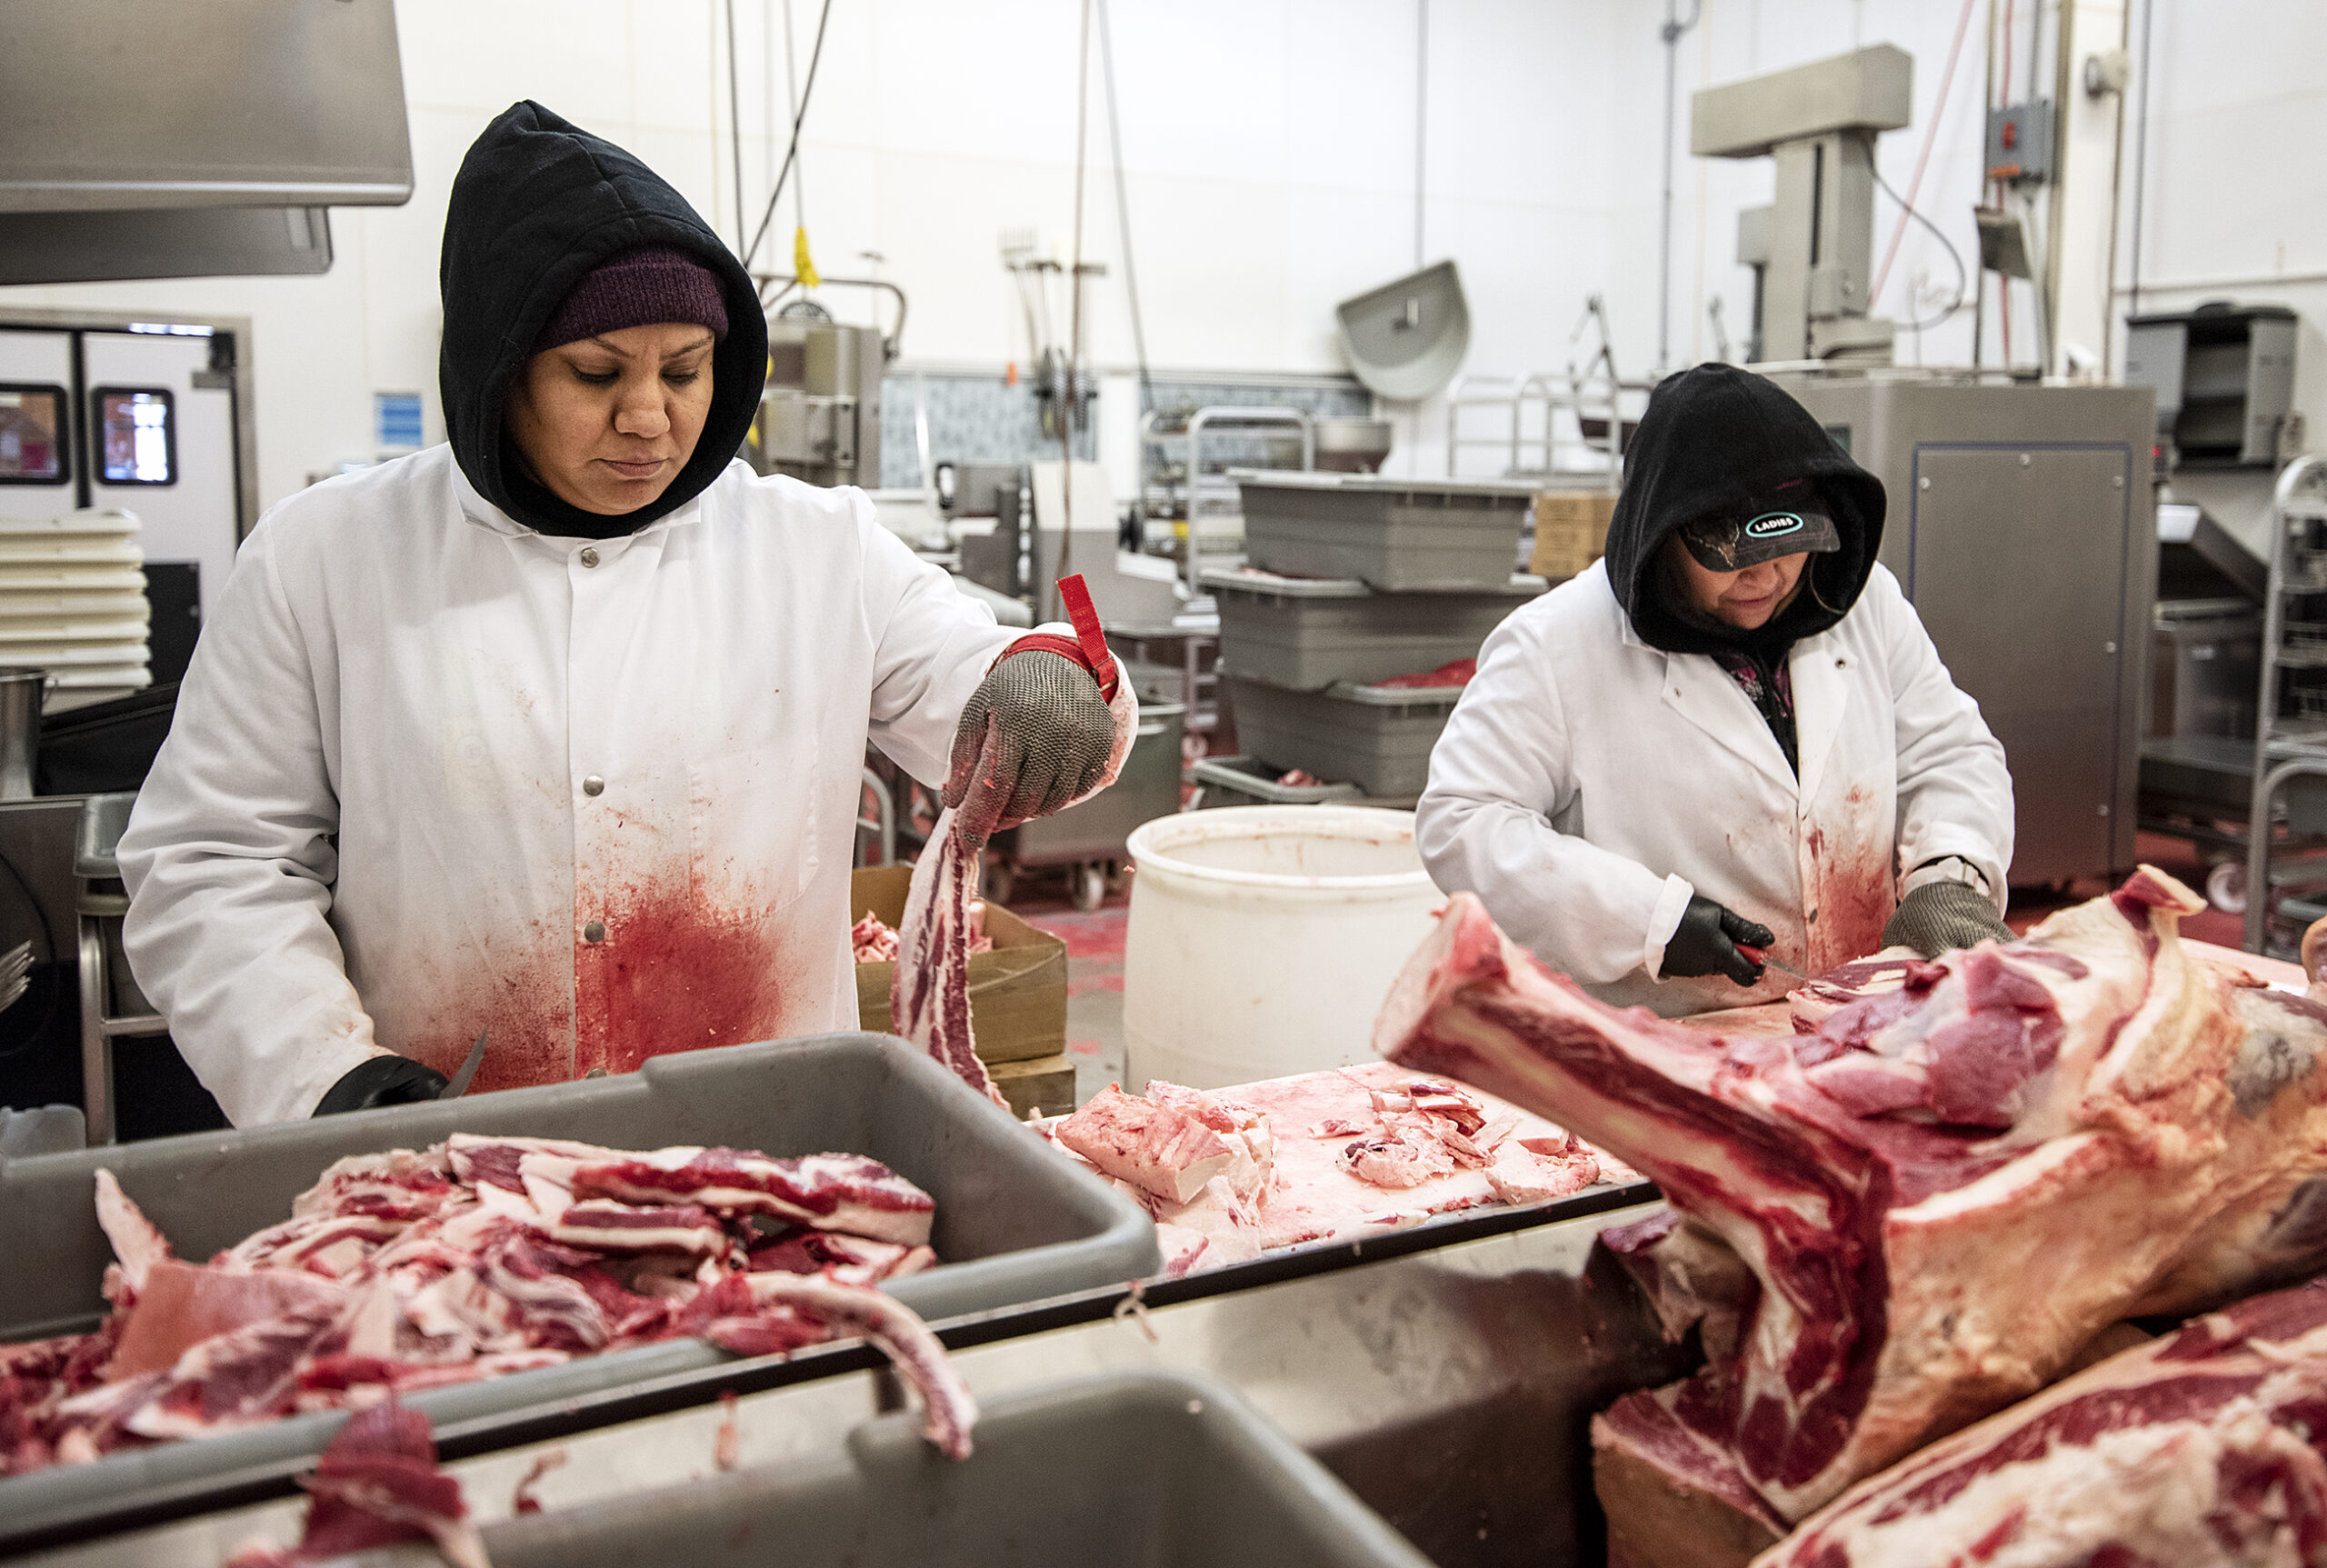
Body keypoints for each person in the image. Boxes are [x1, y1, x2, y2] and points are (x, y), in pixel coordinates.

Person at [116, 102, 1124, 1124]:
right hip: (438, 1163)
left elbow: (970, 668)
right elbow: (214, 863)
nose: (649, 418)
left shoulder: (814, 546)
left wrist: (1046, 668)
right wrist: (320, 1074)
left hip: (766, 1151)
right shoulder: (326, 557)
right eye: (596, 373)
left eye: (685, 371)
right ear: (499, 368)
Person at [1417, 363, 2013, 1019]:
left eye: (1788, 547)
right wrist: (1648, 921)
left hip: (1860, 1014)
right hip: (1663, 1035)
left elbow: (1950, 752)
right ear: (1662, 534)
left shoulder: (1865, 606)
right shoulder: (1555, 644)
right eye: (1730, 556)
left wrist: (1949, 873)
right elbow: (1462, 820)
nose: (1767, 576)